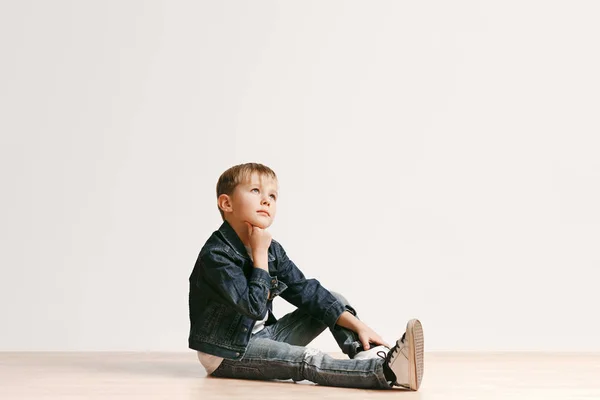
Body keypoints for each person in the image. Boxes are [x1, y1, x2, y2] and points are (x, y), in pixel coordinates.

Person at [188, 162, 424, 390]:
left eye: (272, 196)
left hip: (264, 336)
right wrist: (259, 256)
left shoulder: (271, 250)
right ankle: (387, 372)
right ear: (226, 203)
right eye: (255, 190)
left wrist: (358, 325)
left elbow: (304, 290)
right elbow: (253, 308)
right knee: (307, 359)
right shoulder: (217, 255)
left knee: (333, 299)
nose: (266, 200)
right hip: (227, 351)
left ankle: (367, 353)